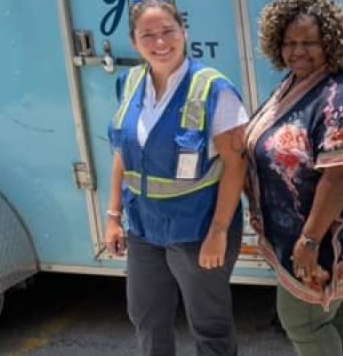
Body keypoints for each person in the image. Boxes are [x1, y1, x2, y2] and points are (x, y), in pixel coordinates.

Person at [102, 1, 249, 356]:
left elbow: (236, 164)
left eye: (168, 31)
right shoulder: (130, 82)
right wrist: (113, 216)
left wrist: (218, 232)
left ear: (184, 32)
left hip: (197, 229)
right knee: (147, 319)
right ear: (135, 42)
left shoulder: (215, 89)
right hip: (143, 228)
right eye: (148, 35)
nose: (160, 42)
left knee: (209, 326)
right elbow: (123, 152)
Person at [244, 1, 343, 355]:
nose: (298, 51)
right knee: (338, 313)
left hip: (327, 240)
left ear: (330, 42)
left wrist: (308, 241)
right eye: (290, 43)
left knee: (302, 321)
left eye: (309, 43)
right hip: (308, 234)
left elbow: (340, 177)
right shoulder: (298, 83)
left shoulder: (342, 97)